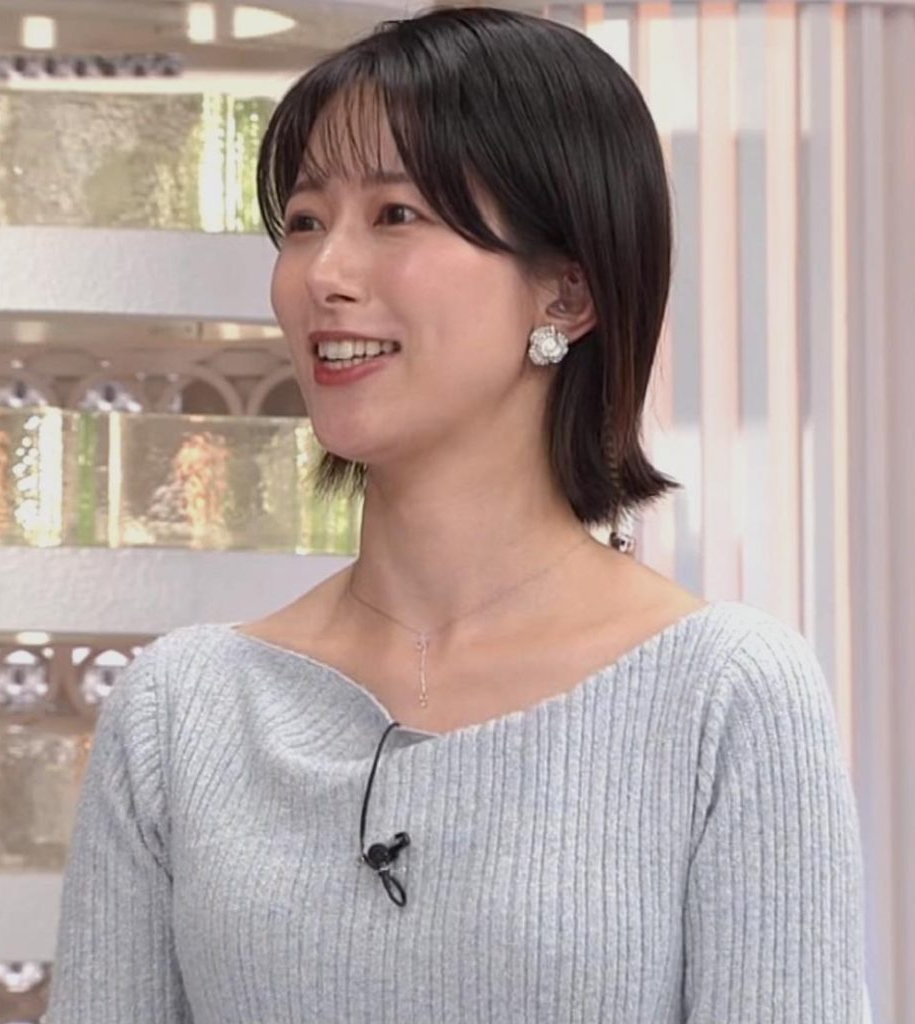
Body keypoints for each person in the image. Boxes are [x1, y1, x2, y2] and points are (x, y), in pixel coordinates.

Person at [46, 6, 867, 1022]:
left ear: (565, 293)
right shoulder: (180, 710)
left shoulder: (724, 696)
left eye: (395, 215)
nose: (324, 275)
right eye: (305, 221)